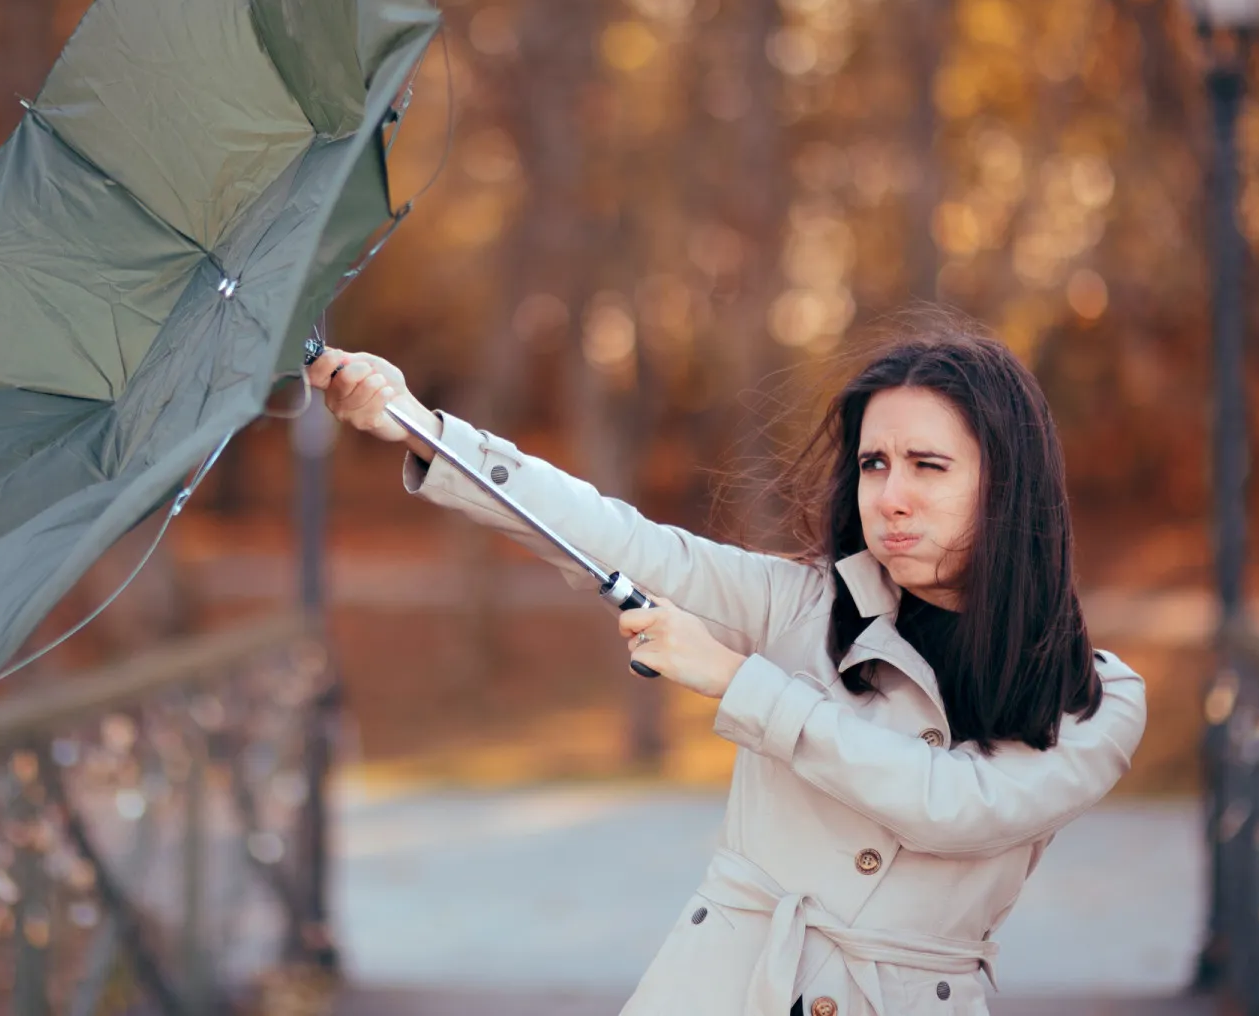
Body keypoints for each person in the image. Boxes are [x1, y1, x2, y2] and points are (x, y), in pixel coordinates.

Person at [303, 328, 1147, 1016]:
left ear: (1009, 484)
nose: (891, 496)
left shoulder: (1094, 698)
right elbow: (626, 541)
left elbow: (954, 807)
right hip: (724, 986)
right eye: (873, 463)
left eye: (929, 467)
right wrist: (423, 427)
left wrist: (737, 681)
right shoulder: (801, 608)